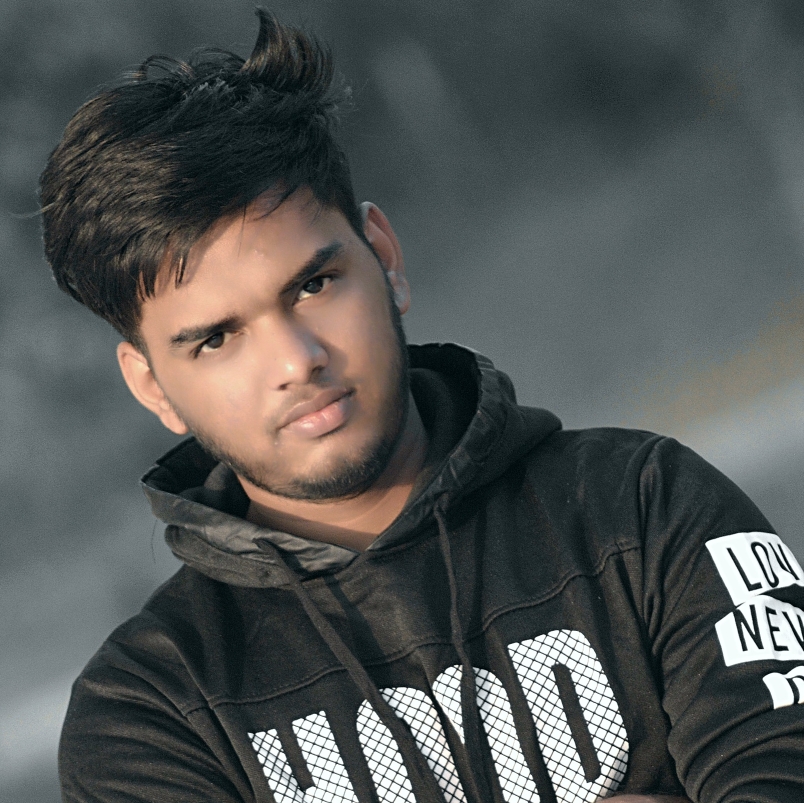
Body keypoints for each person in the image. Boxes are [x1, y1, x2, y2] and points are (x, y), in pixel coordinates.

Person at [39, 9, 804, 803]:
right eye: (217, 338)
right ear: (152, 384)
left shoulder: (644, 508)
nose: (297, 361)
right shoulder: (148, 714)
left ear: (386, 257)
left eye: (313, 285)